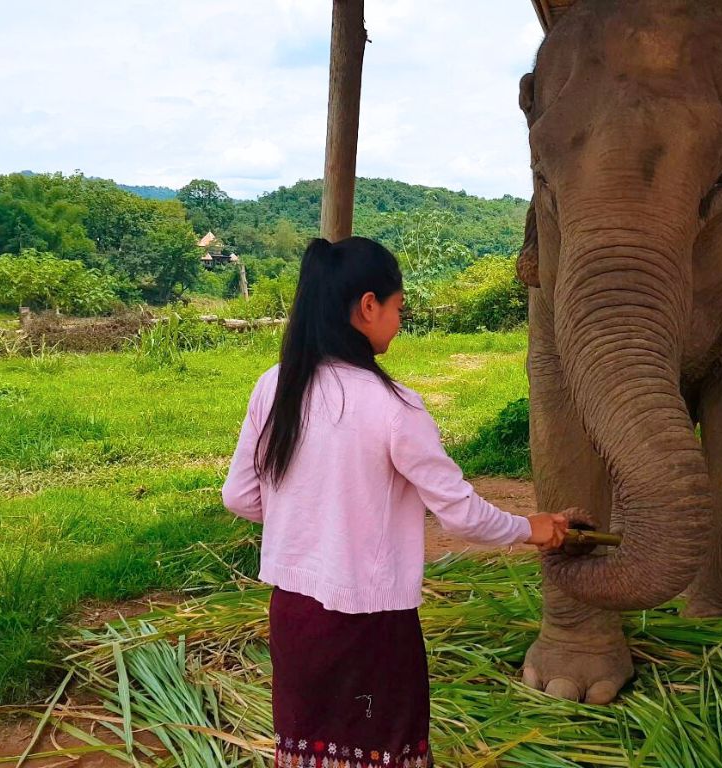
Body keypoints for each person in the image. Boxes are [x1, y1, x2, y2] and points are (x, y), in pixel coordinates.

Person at [222, 236, 568, 768]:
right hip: (370, 624)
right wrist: (533, 529)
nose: (400, 322)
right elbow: (460, 513)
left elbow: (240, 496)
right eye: (398, 308)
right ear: (367, 306)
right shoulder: (395, 407)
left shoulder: (274, 386)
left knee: (305, 751)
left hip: (294, 617)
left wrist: (309, 520)